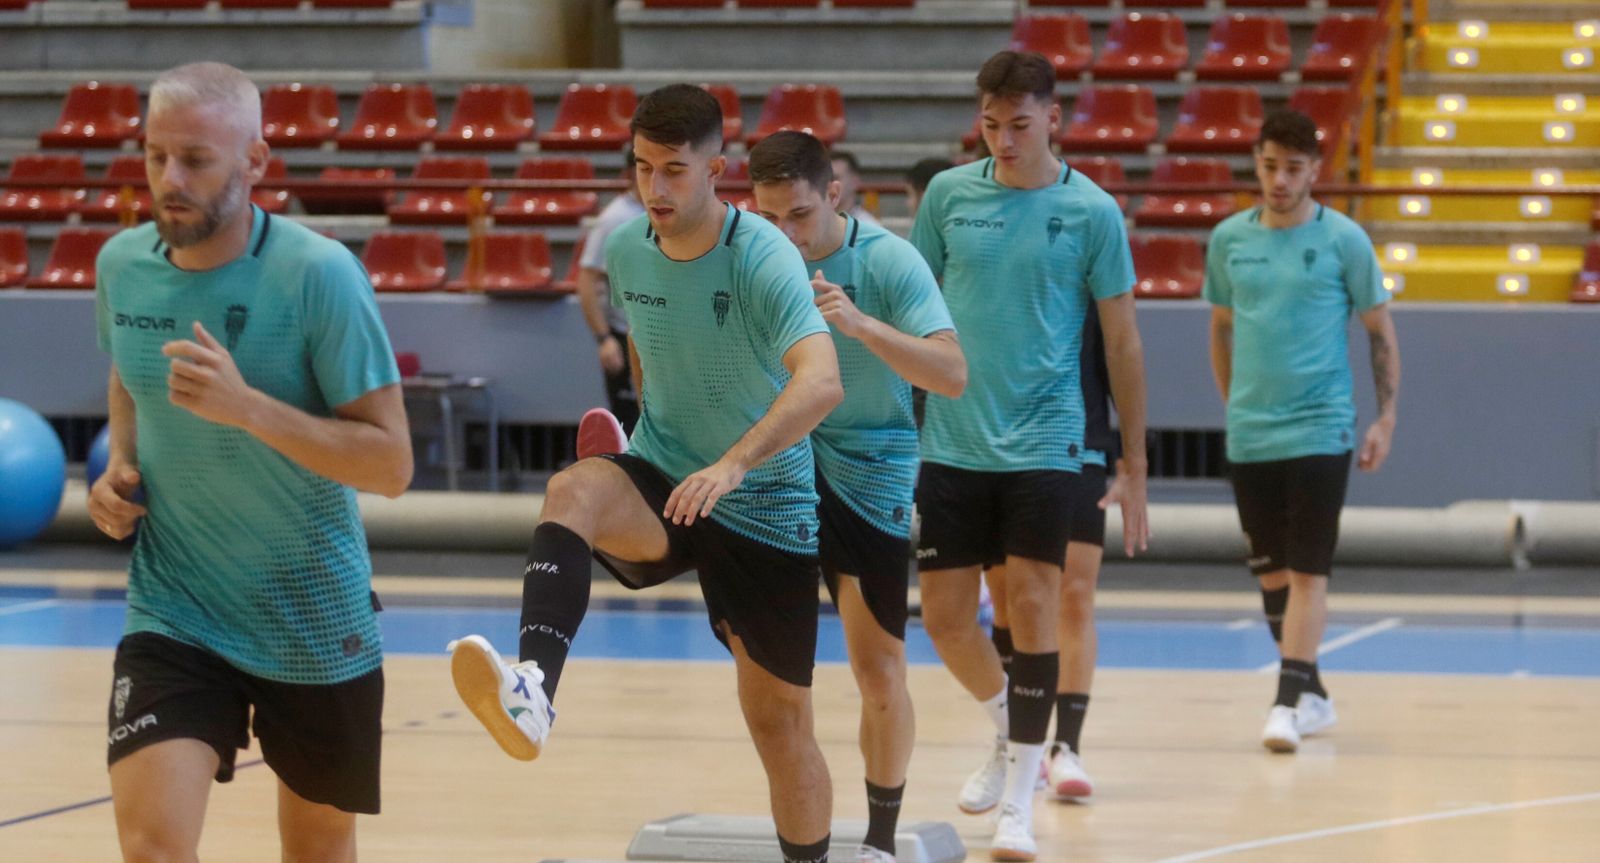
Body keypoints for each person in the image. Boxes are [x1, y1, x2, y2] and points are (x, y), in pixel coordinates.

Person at [446, 84, 845, 863]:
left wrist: (732, 464)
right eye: (641, 168)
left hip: (763, 501)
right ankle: (533, 689)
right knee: (572, 488)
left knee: (779, 725)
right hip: (666, 476)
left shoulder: (761, 253)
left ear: (715, 169)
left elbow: (823, 381)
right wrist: (642, 437)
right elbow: (647, 351)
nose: (654, 189)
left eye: (673, 170)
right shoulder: (628, 250)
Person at [89, 61, 412, 863]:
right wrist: (119, 468)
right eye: (156, 155)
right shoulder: (121, 265)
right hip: (175, 608)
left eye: (196, 158)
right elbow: (128, 375)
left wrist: (248, 409)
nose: (170, 178)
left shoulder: (320, 276)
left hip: (312, 616)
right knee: (153, 846)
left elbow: (391, 464)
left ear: (256, 162)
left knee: (317, 848)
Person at [909, 50, 1151, 861]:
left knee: (1037, 603)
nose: (1004, 140)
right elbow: (916, 317)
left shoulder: (1093, 212)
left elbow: (1122, 342)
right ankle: (1011, 729)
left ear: (1054, 118)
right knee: (945, 617)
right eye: (990, 124)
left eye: (1019, 124)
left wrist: (1136, 462)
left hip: (1050, 440)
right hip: (953, 437)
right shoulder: (947, 197)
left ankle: (1020, 801)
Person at [749, 130, 966, 863]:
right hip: (780, 461)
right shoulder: (746, 261)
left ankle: (879, 838)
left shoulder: (887, 261)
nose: (783, 233)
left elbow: (951, 372)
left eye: (799, 216)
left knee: (878, 672)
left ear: (835, 194)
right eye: (769, 217)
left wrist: (862, 325)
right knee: (776, 679)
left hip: (871, 466)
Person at [1204, 109, 1400, 754]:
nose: (1279, 180)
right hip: (1252, 433)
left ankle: (1286, 702)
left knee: (1310, 571)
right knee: (1273, 577)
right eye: (1269, 166)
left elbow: (1379, 333)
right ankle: (1313, 693)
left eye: (1293, 168)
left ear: (1315, 169)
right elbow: (1222, 329)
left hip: (1321, 430)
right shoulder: (1230, 239)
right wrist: (1234, 404)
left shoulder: (1345, 240)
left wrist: (1385, 416)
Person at [982, 300, 1118, 800]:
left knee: (1076, 595)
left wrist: (1130, 459)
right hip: (998, 448)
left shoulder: (1087, 265)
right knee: (1008, 602)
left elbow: (1118, 359)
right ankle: (1020, 742)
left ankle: (1067, 747)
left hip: (1080, 446)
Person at [575, 144, 644, 433]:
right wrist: (604, 338)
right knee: (629, 428)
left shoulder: (670, 214)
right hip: (625, 335)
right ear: (629, 174)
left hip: (659, 338)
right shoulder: (614, 219)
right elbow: (587, 280)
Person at [830, 149, 879, 225]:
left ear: (854, 181)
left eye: (836, 178)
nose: (829, 184)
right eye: (825, 178)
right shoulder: (812, 224)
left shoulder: (868, 226)